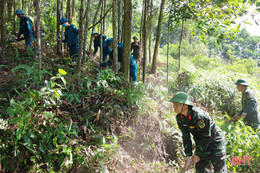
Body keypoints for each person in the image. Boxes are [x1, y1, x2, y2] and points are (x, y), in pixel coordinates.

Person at [169, 92, 227, 172]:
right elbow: (186, 137)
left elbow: (205, 137)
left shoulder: (198, 116)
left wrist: (197, 154)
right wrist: (188, 157)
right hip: (202, 143)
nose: (174, 107)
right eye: (173, 104)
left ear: (185, 105)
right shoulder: (180, 118)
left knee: (219, 169)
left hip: (215, 141)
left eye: (177, 104)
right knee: (201, 169)